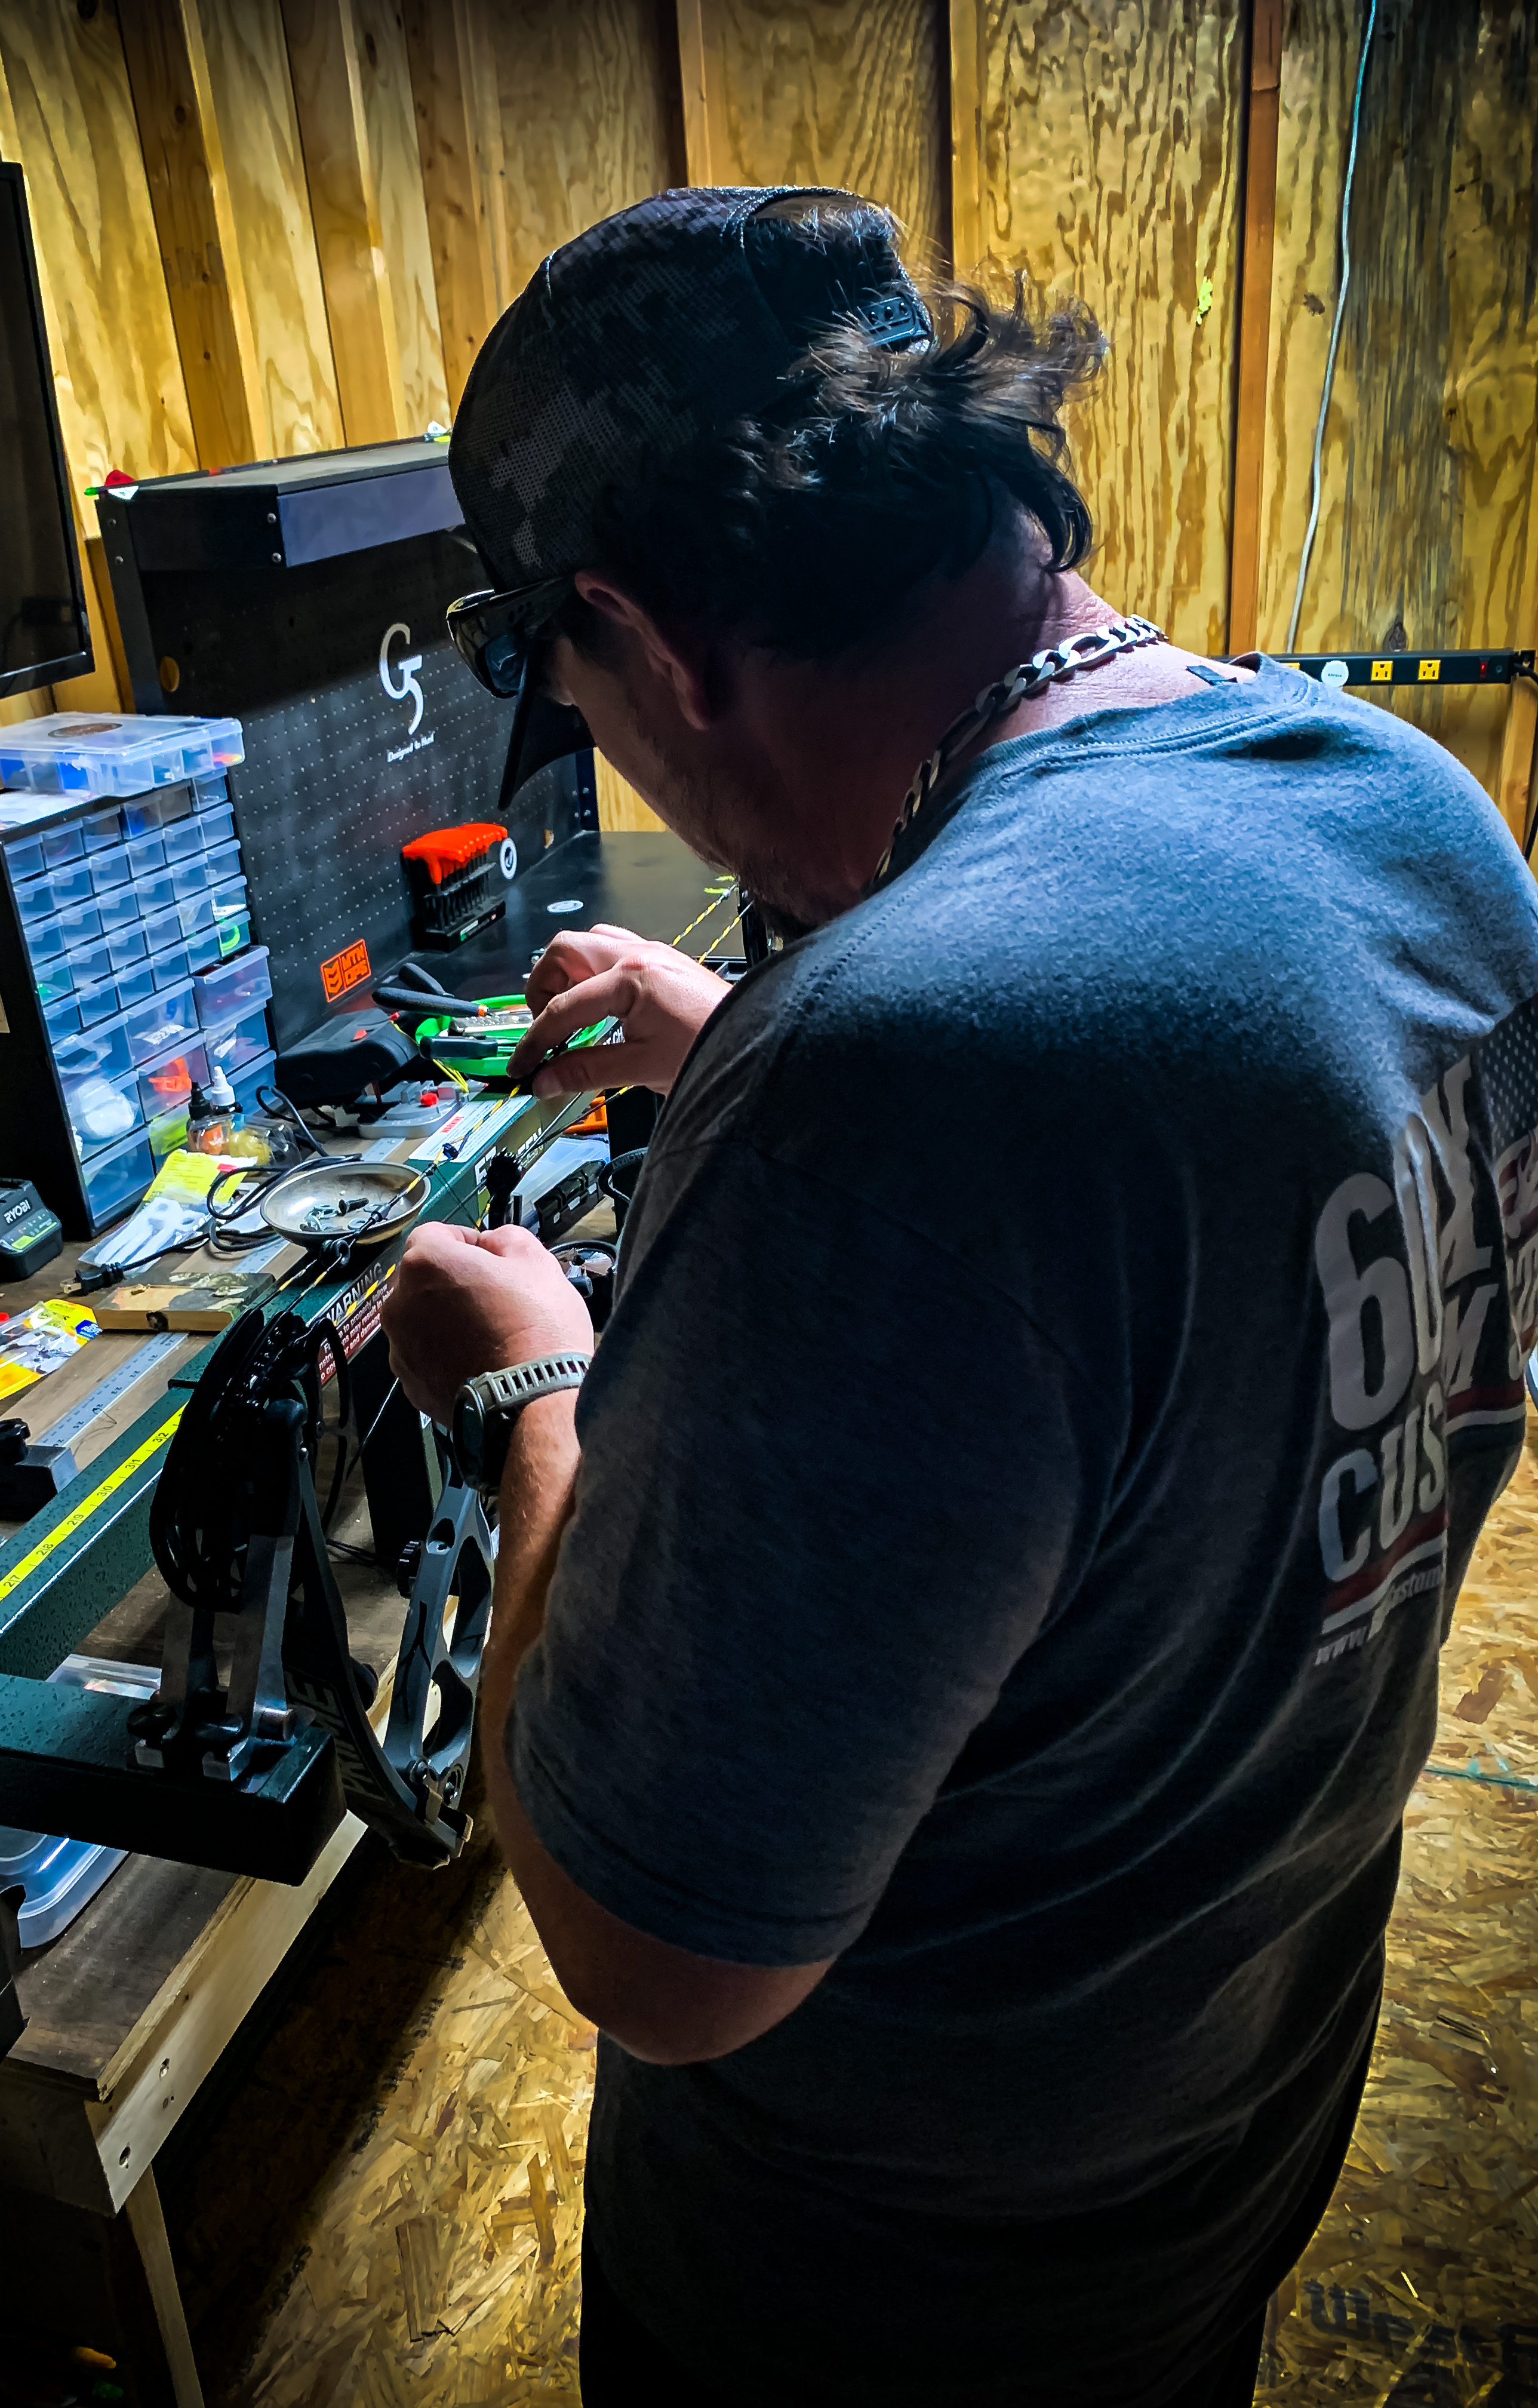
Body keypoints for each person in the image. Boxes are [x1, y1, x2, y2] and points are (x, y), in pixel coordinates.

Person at [379, 186, 1538, 2406]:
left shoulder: (892, 1077)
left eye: (602, 716)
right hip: (1220, 2108)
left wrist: (536, 1379)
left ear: (650, 635)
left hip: (890, 2278)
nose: (652, 789)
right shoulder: (1401, 813)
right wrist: (728, 1048)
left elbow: (660, 1957)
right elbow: (1166, 1282)